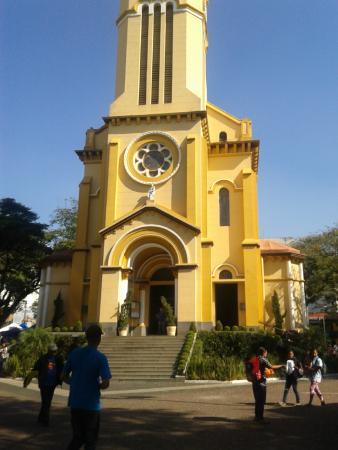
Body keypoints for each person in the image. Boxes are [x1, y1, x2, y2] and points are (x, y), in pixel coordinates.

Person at [63, 324, 112, 450]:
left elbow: (62, 376)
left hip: (75, 402)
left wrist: (73, 382)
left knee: (77, 437)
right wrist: (99, 386)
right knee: (90, 440)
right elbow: (105, 382)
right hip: (91, 404)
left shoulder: (74, 353)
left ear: (86, 337)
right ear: (99, 338)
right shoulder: (100, 358)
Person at [24, 343, 63, 426]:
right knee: (46, 401)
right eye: (52, 351)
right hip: (44, 383)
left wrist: (61, 379)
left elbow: (61, 369)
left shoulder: (58, 359)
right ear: (49, 351)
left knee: (47, 401)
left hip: (53, 384)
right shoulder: (43, 359)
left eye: (55, 351)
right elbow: (35, 369)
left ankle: (41, 418)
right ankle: (45, 420)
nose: (54, 352)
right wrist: (29, 379)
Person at [251, 347, 283, 423]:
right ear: (264, 352)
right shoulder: (263, 359)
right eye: (266, 352)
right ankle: (261, 419)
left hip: (254, 382)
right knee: (261, 401)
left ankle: (256, 417)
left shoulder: (254, 359)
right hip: (261, 383)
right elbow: (271, 366)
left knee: (257, 400)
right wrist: (281, 365)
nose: (266, 354)